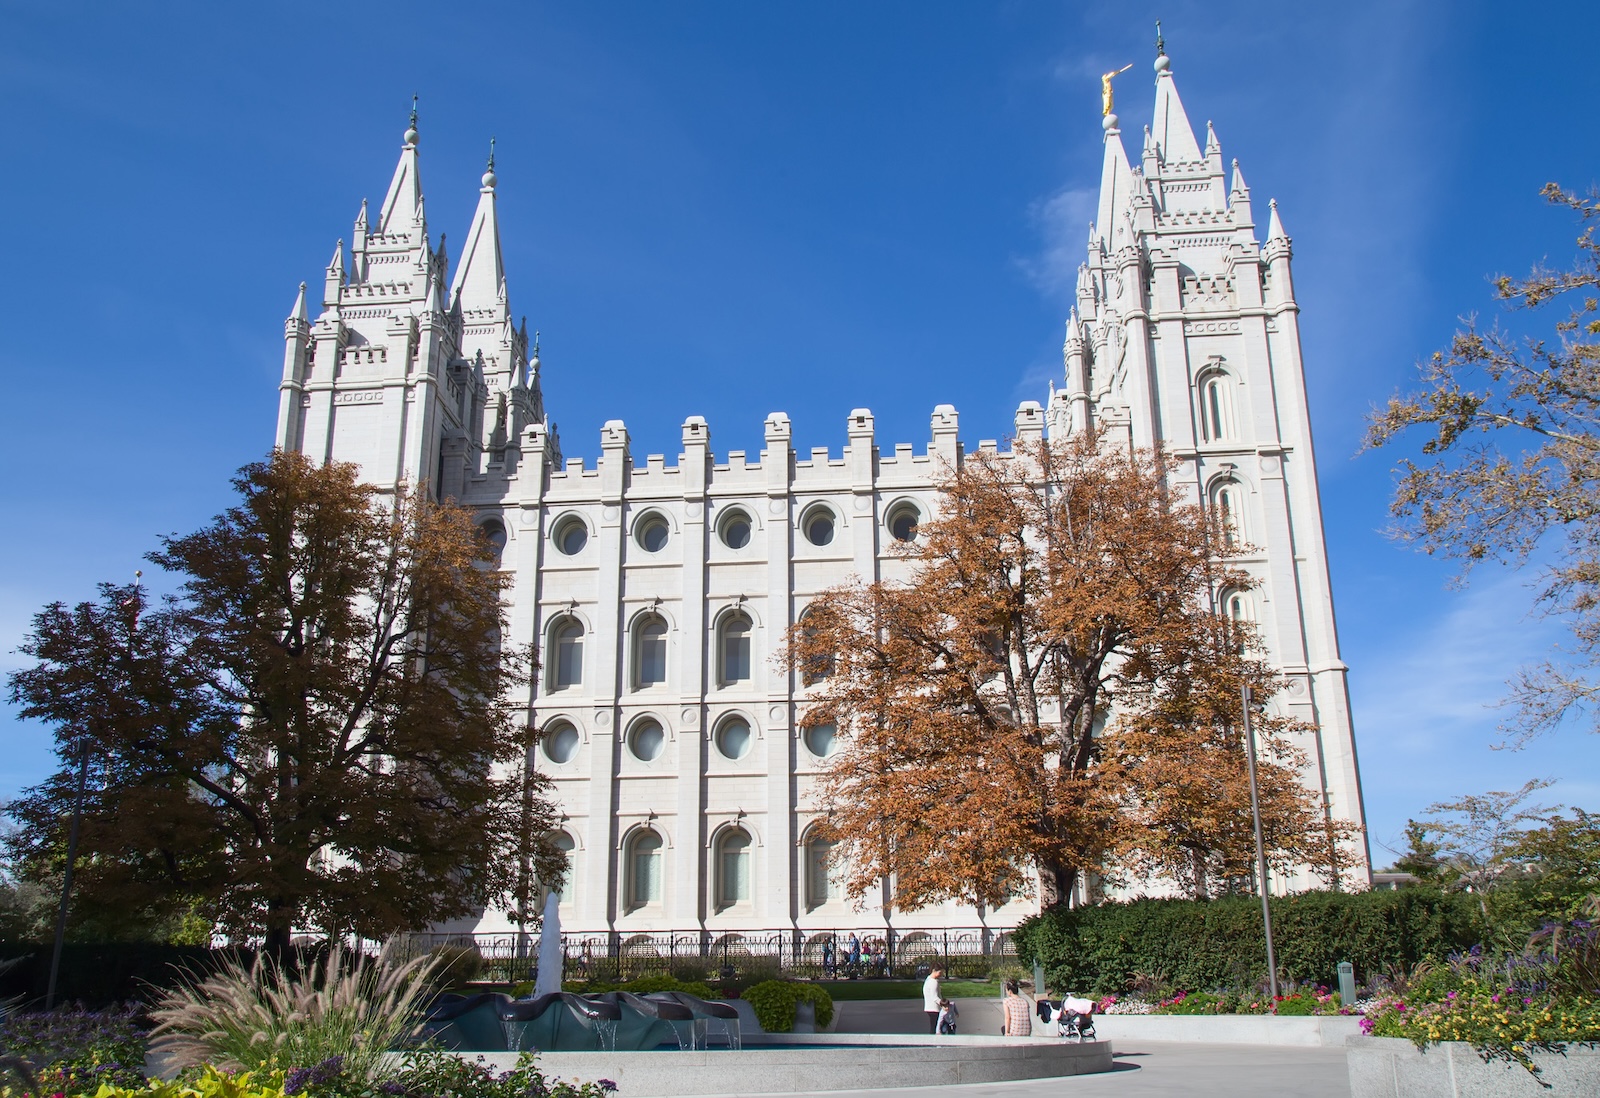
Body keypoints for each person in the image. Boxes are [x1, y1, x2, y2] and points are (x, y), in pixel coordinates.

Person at [922, 964, 946, 1034]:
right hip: (934, 1008)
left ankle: (933, 1041)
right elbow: (934, 997)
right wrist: (943, 1004)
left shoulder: (928, 979)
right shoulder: (933, 982)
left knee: (935, 1027)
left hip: (929, 1007)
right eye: (940, 973)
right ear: (934, 971)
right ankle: (933, 1042)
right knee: (936, 1028)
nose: (941, 975)